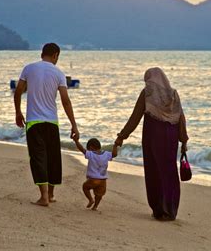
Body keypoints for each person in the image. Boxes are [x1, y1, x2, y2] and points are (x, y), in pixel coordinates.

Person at [114, 67, 188, 221]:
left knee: (155, 171)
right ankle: (171, 210)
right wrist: (184, 139)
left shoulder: (148, 93)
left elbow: (135, 117)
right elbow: (181, 117)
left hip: (153, 136)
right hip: (171, 137)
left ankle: (159, 210)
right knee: (169, 171)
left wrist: (122, 136)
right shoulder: (173, 93)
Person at [14, 43, 79, 206]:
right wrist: (74, 125)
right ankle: (50, 195)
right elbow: (66, 101)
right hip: (52, 122)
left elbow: (18, 91)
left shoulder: (29, 68)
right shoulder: (59, 73)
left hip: (34, 122)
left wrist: (18, 112)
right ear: (55, 55)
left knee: (38, 158)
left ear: (42, 53)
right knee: (53, 158)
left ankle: (43, 196)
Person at [73, 137, 118, 211]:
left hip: (93, 179)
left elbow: (82, 149)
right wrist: (115, 146)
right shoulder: (106, 154)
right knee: (99, 195)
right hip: (103, 180)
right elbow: (114, 154)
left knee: (85, 187)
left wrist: (76, 141)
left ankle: (90, 200)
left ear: (90, 147)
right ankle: (95, 206)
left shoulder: (91, 154)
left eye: (88, 149)